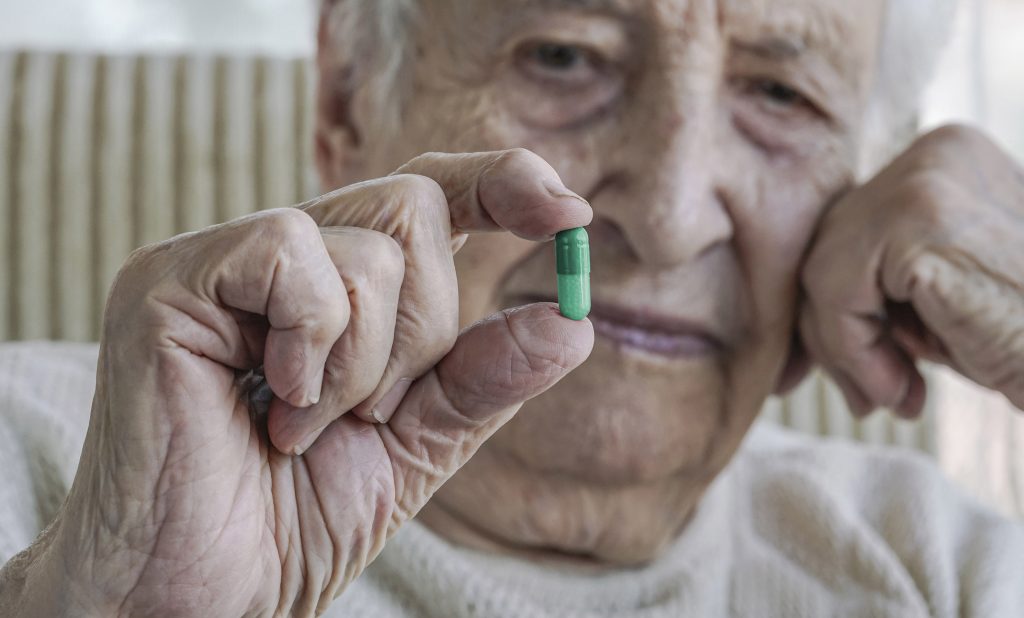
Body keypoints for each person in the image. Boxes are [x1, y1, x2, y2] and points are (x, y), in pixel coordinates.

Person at [1, 0, 1023, 615]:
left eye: (780, 99)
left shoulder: (947, 564)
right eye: (564, 55)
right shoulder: (42, 460)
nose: (667, 218)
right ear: (347, 100)